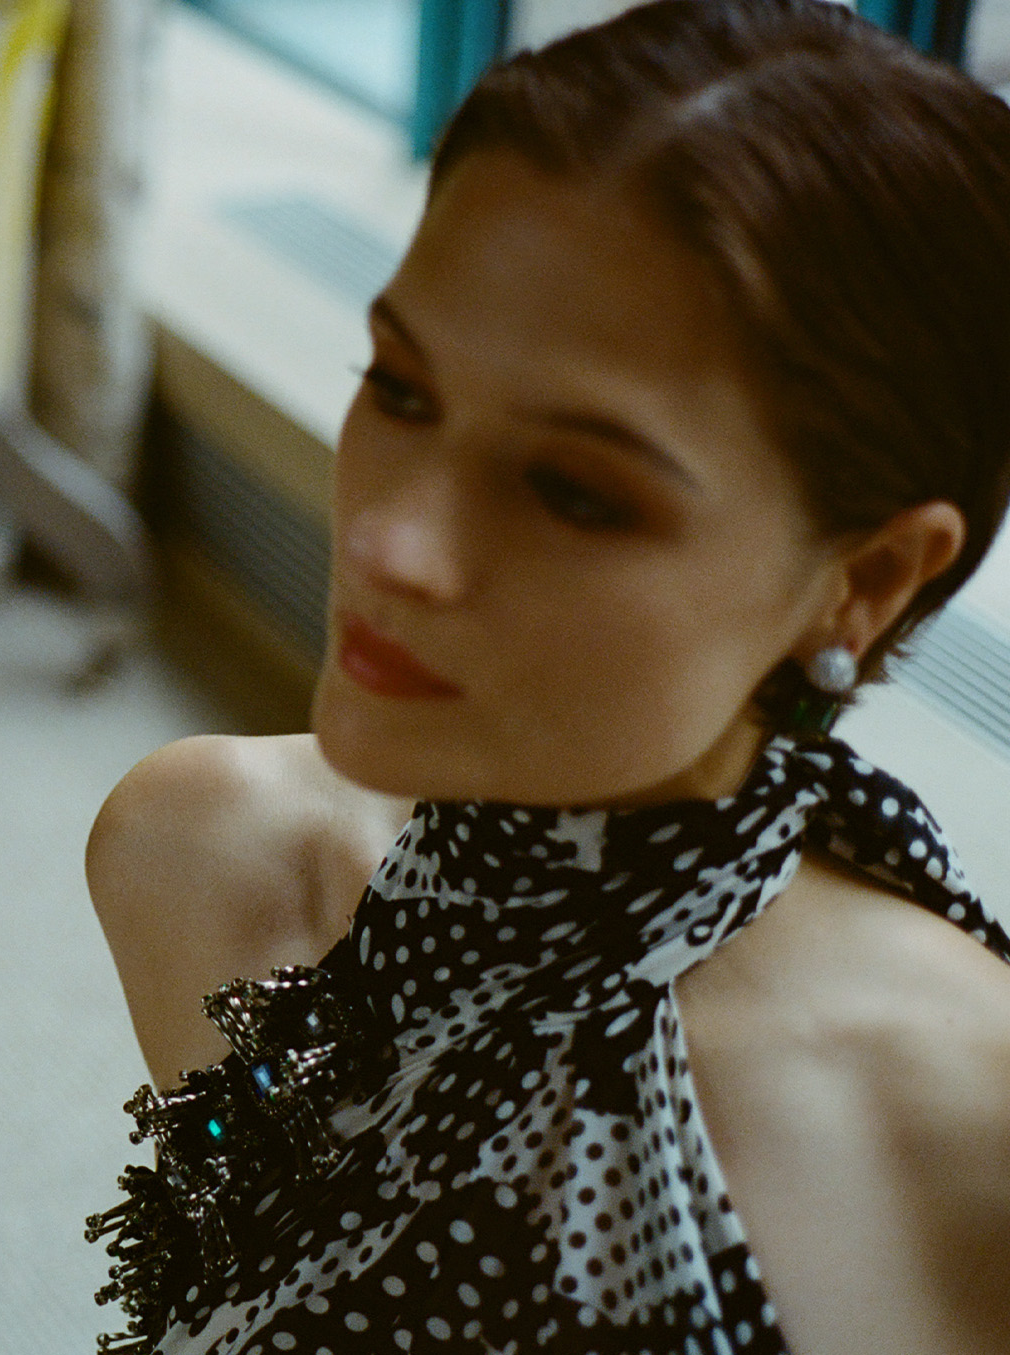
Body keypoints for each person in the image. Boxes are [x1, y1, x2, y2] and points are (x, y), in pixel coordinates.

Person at [82, 2, 1010, 1351]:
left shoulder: (969, 1132)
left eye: (573, 490)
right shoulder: (199, 855)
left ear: (866, 581)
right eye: (399, 387)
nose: (392, 542)